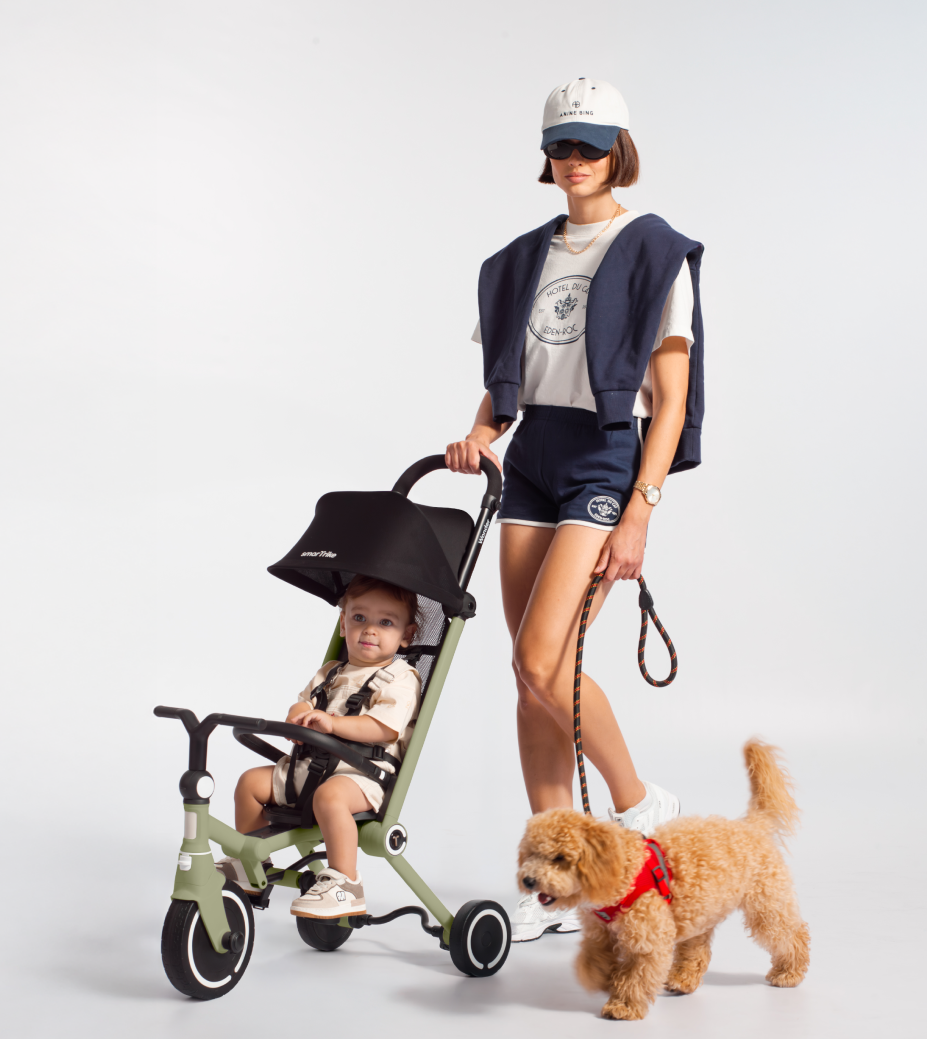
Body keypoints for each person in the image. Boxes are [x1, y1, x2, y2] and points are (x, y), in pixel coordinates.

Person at [446, 78, 705, 941]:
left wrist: (641, 511)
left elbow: (669, 401)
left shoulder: (654, 250)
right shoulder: (521, 258)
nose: (575, 160)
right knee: (529, 680)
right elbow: (506, 388)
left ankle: (639, 803)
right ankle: (551, 886)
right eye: (561, 145)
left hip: (604, 455)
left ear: (618, 149)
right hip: (532, 459)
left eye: (591, 145)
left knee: (543, 658)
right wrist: (478, 435)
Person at [217, 575, 421, 919]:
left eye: (386, 622)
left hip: (361, 775)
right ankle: (252, 863)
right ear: (343, 624)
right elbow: (303, 701)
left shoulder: (401, 677)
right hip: (309, 767)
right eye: (359, 618)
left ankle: (345, 883)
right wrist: (298, 716)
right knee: (249, 783)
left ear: (407, 636)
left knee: (330, 796)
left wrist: (333, 724)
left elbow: (383, 728)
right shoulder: (330, 671)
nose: (370, 629)